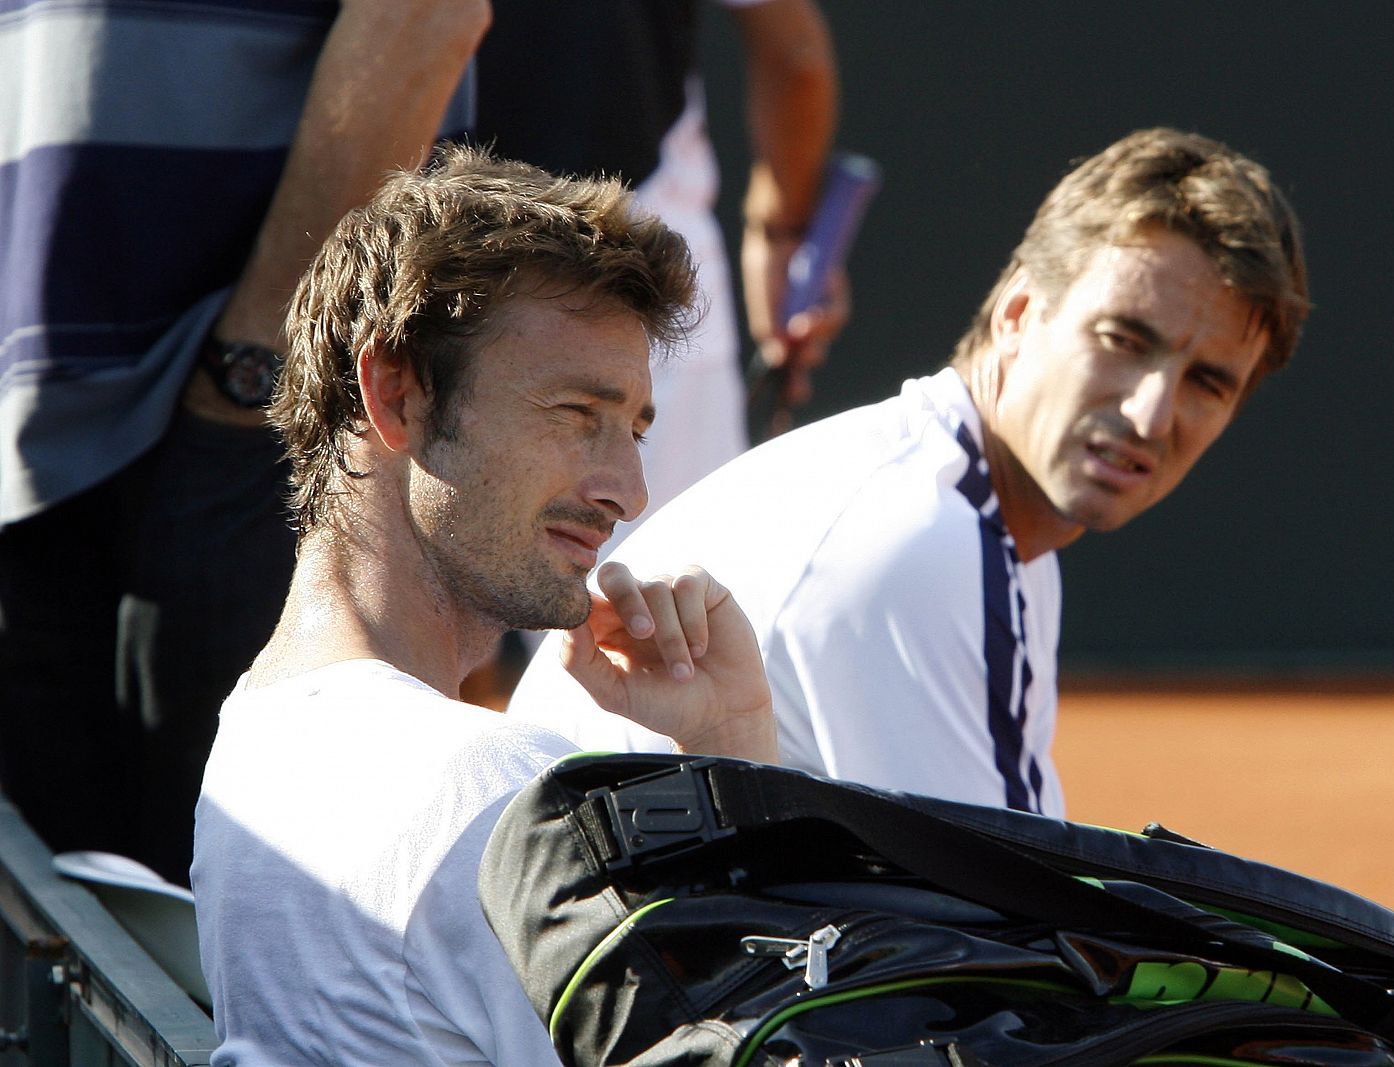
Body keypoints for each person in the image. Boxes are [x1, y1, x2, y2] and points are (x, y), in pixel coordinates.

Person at [509, 127, 1311, 818]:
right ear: (1019, 313)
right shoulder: (922, 538)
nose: (1150, 414)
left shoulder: (978, 511)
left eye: (1208, 382)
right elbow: (996, 953)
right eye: (1124, 340)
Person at [191, 146, 776, 1063]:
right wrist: (743, 755)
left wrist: (725, 745)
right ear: (397, 395)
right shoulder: (495, 790)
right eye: (578, 412)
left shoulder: (255, 732)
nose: (630, 489)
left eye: (634, 430)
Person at [0, 0, 490, 884]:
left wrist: (260, 362)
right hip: (38, 421)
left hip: (243, 408)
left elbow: (426, 14)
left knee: (205, 949)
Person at [474, 0, 846, 533]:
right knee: (667, 593)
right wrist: (783, 231)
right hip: (645, 261)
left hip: (427, 265)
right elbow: (797, 57)